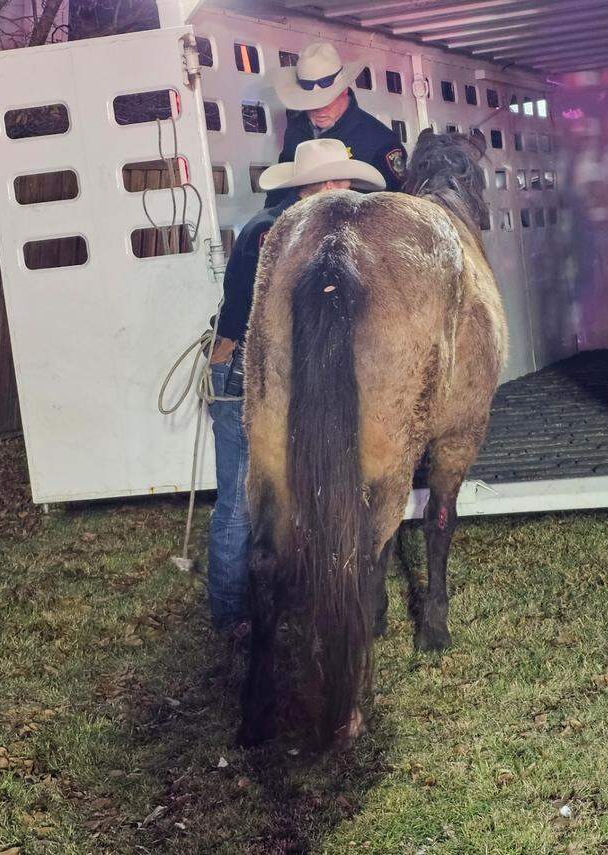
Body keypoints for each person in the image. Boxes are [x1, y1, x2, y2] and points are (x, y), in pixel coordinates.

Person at [207, 138, 386, 637]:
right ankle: (229, 614)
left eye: (345, 180)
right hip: (247, 369)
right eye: (333, 181)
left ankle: (273, 599)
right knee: (241, 496)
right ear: (312, 186)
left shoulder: (284, 228)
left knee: (280, 491)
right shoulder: (278, 232)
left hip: (271, 365)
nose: (340, 189)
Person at [264, 41, 406, 209]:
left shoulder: (380, 141)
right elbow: (281, 188)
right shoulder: (296, 130)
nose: (318, 109)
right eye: (311, 103)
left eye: (326, 101)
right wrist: (271, 221)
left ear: (344, 90)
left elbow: (396, 206)